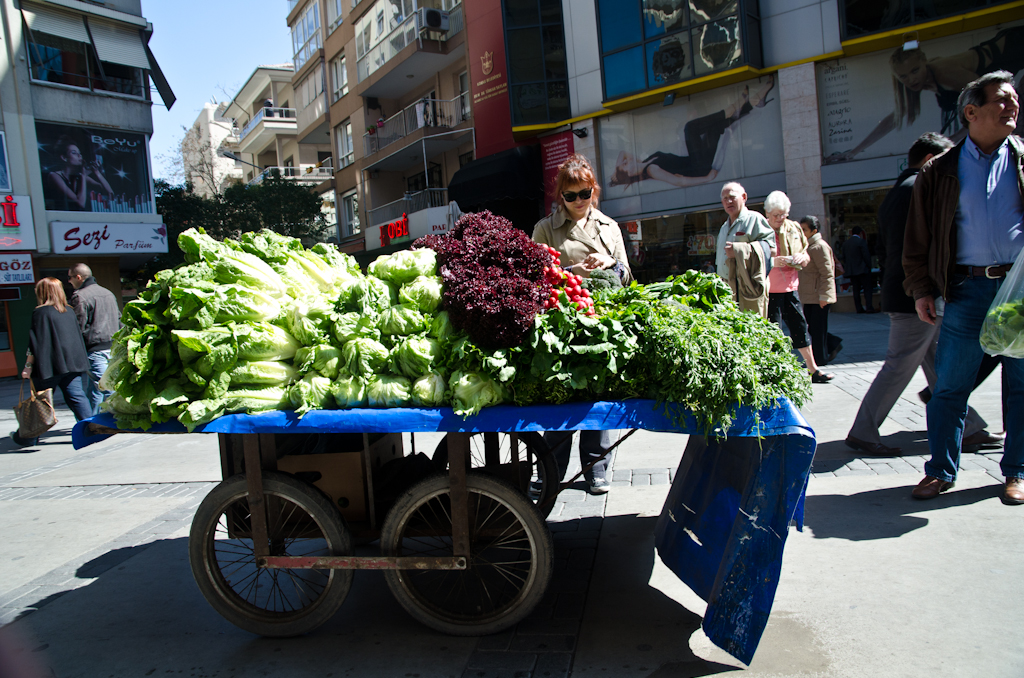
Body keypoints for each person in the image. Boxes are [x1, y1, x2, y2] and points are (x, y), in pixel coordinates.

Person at [902, 70, 1023, 505]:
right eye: (1002, 101)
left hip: (1020, 291)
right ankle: (940, 470)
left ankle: (1016, 472)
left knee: (1021, 383)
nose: (1013, 107)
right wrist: (921, 289)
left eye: (1014, 100)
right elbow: (917, 240)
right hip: (967, 290)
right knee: (952, 385)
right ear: (971, 112)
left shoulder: (1023, 159)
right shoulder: (939, 172)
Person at [846, 132, 1002, 456]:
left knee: (939, 368)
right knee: (900, 365)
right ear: (930, 159)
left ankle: (970, 427)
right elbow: (920, 247)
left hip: (910, 293)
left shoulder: (897, 191)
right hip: (915, 296)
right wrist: (926, 290)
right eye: (945, 159)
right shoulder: (918, 186)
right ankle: (863, 430)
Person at [532, 153, 632, 494]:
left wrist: (609, 262)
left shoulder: (610, 228)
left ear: (594, 191)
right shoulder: (546, 228)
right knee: (563, 396)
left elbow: (627, 276)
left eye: (584, 193)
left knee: (597, 396)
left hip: (603, 323)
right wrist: (573, 273)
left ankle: (595, 467)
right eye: (570, 195)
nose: (578, 201)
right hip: (564, 324)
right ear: (560, 197)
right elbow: (535, 277)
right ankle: (549, 470)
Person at [826, 26, 1024, 163]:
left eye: (915, 71)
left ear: (924, 63)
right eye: (903, 76)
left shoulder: (945, 73)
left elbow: (985, 105)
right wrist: (854, 152)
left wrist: (949, 144)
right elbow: (892, 120)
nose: (911, 80)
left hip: (1012, 48)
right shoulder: (915, 86)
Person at [610, 77, 775, 189]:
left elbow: (623, 152)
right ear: (631, 173)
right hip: (699, 167)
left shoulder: (646, 161)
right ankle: (733, 108)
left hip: (697, 160)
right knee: (690, 128)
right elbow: (679, 181)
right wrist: (707, 178)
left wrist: (617, 174)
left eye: (622, 163)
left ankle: (754, 102)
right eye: (625, 166)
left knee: (716, 128)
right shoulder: (652, 169)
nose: (625, 162)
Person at [12, 278, 93, 447]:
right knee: (77, 397)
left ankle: (29, 437)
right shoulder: (69, 311)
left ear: (43, 292)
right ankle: (92, 429)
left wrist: (28, 366)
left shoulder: (40, 312)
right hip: (72, 365)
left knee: (41, 402)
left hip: (49, 366)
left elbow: (35, 343)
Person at [763, 191, 832, 383]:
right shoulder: (760, 229)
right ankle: (773, 374)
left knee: (800, 327)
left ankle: (813, 369)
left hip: (790, 287)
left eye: (783, 214)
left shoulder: (794, 228)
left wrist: (803, 257)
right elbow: (753, 258)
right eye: (776, 215)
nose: (779, 218)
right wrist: (772, 261)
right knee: (772, 332)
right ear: (767, 213)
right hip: (769, 289)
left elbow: (805, 254)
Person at [716, 181, 775, 317]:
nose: (729, 201)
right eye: (725, 199)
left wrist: (739, 249)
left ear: (744, 197)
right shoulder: (724, 227)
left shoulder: (754, 219)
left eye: (732, 197)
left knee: (753, 331)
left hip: (749, 286)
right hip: (727, 288)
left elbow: (771, 249)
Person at [68, 264, 121, 415]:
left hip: (94, 349)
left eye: (70, 278)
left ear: (78, 277)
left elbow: (78, 326)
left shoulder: (80, 296)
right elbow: (118, 319)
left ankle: (115, 419)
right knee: (97, 389)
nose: (69, 282)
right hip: (112, 347)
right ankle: (92, 420)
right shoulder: (108, 293)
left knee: (105, 388)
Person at [797, 216, 838, 368]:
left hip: (818, 296)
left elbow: (827, 273)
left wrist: (825, 296)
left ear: (814, 231)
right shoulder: (806, 246)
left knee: (817, 330)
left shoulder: (819, 246)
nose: (802, 232)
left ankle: (821, 359)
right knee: (812, 329)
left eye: (805, 230)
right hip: (809, 296)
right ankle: (832, 345)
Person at [46, 135, 113, 211]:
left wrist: (96, 172)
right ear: (64, 158)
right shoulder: (54, 176)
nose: (79, 155)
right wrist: (83, 175)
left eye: (79, 153)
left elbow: (110, 193)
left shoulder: (79, 177)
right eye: (74, 153)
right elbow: (80, 203)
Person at [842, 226, 875, 313]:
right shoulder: (861, 242)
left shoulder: (846, 244)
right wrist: (869, 266)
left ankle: (859, 308)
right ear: (860, 233)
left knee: (856, 290)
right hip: (862, 270)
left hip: (852, 271)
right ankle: (869, 307)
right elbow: (866, 256)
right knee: (867, 289)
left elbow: (844, 258)